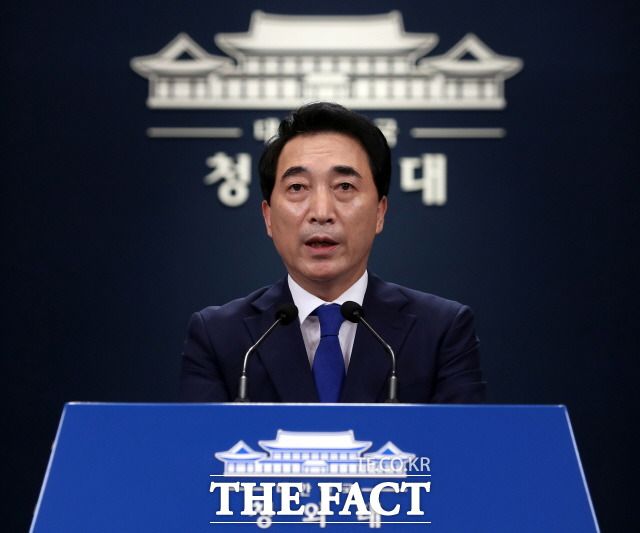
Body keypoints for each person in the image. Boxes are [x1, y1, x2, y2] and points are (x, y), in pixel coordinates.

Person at [180, 102, 485, 403]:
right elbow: (198, 437)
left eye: (344, 186)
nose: (322, 212)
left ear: (380, 212)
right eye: (297, 187)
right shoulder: (219, 337)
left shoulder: (441, 331)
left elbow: (462, 436)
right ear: (268, 217)